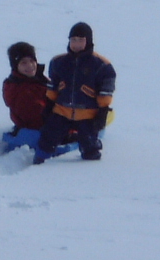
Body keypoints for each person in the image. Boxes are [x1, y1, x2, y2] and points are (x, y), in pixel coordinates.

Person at [34, 22, 115, 164]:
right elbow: (53, 86)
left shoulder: (102, 65)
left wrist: (102, 112)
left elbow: (106, 91)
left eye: (81, 40)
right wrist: (49, 105)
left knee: (89, 144)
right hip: (62, 110)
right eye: (73, 40)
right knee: (48, 136)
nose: (76, 44)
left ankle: (90, 157)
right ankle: (40, 158)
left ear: (88, 41)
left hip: (87, 114)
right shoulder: (58, 62)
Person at [1, 42, 52, 152]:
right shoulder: (21, 89)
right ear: (16, 66)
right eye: (23, 63)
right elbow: (34, 117)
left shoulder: (34, 79)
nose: (30, 65)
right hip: (38, 126)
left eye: (32, 61)